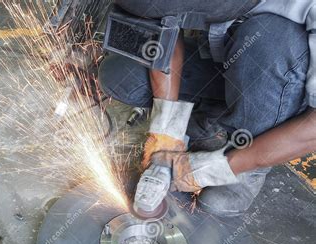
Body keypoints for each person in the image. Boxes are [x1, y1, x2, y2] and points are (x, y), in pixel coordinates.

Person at [99, 0, 316, 217]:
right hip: (226, 61)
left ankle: (247, 161)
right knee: (121, 75)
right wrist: (166, 131)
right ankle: (213, 121)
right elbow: (165, 29)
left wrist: (221, 168)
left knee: (270, 39)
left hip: (280, 82)